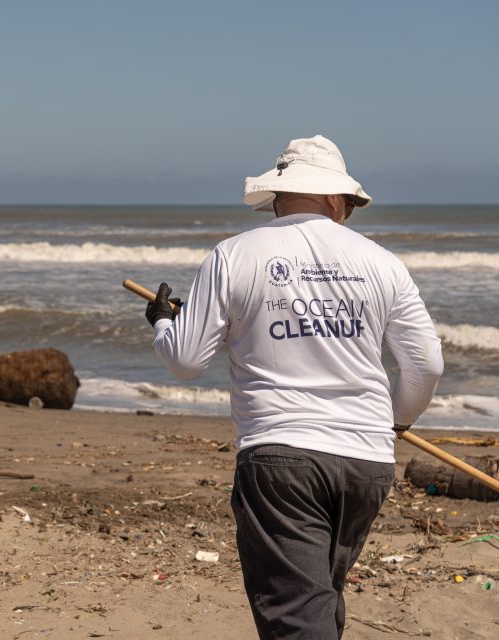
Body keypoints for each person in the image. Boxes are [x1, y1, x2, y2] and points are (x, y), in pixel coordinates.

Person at [144, 135, 443, 639]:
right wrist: (394, 423)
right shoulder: (382, 262)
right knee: (317, 603)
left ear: (280, 197)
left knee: (300, 617)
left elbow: (185, 359)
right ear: (332, 199)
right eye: (348, 203)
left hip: (281, 459)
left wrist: (162, 323)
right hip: (366, 463)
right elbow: (427, 365)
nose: (347, 211)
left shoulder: (235, 254)